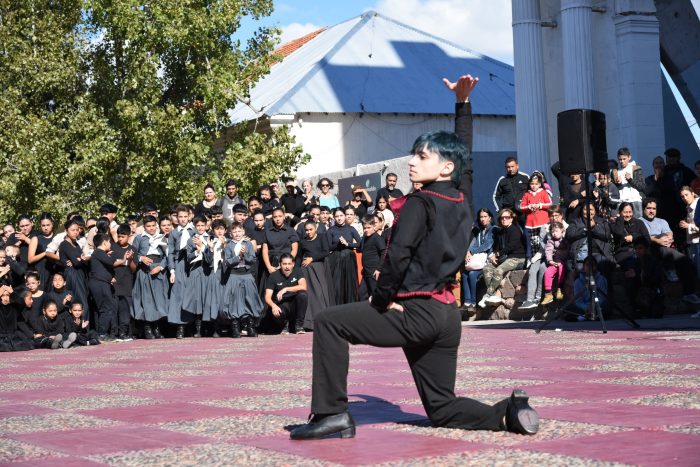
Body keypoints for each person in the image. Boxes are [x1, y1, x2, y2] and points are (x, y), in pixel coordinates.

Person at [289, 74, 538, 441]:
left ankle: (332, 415)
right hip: (446, 316)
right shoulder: (462, 199)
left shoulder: (420, 203)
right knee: (441, 407)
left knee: (328, 322)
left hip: (415, 311)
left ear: (444, 168)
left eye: (423, 156)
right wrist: (463, 105)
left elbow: (398, 255)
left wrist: (381, 299)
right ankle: (508, 413)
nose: (412, 162)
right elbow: (464, 159)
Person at [640, 198, 700, 304]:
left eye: (654, 208)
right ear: (643, 209)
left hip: (665, 247)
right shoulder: (640, 221)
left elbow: (669, 234)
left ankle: (689, 293)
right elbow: (644, 237)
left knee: (685, 260)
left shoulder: (662, 221)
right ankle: (670, 270)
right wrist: (656, 239)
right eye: (648, 208)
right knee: (660, 248)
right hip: (650, 250)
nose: (651, 211)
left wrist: (665, 239)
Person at [221, 222, 263, 337]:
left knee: (249, 300)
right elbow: (228, 262)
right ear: (230, 233)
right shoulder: (228, 245)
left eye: (239, 231)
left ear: (243, 232)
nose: (237, 233)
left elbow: (252, 259)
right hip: (234, 275)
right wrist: (239, 256)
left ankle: (250, 326)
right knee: (234, 301)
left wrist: (245, 255)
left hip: (246, 274)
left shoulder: (248, 244)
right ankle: (235, 327)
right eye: (234, 231)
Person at [478, 208, 527, 307]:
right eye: (502, 218)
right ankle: (494, 295)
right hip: (504, 258)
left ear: (512, 219)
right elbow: (497, 247)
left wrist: (497, 255)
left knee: (498, 270)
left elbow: (510, 247)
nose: (504, 219)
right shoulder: (500, 232)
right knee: (487, 268)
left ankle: (488, 295)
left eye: (507, 217)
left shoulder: (515, 230)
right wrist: (494, 256)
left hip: (517, 258)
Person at [133, 215, 168, 339]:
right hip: (144, 271)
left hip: (158, 270)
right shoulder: (139, 238)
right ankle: (147, 327)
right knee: (147, 300)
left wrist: (160, 267)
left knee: (159, 299)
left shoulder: (162, 238)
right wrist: (141, 258)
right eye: (148, 226)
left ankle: (157, 327)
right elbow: (133, 254)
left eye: (153, 225)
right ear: (144, 227)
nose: (151, 228)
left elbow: (167, 256)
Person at [167, 205, 195, 338]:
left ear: (189, 217)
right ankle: (180, 327)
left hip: (193, 264)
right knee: (178, 294)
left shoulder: (194, 230)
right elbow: (170, 253)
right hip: (179, 264)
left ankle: (193, 325)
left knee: (191, 293)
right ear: (176, 218)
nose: (183, 219)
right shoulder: (173, 233)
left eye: (185, 217)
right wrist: (172, 271)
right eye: (180, 217)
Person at [299, 220, 333, 330]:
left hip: (319, 269)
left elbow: (326, 252)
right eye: (306, 230)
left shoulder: (322, 237)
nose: (308, 232)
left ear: (315, 229)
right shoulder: (303, 242)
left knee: (320, 294)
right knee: (309, 296)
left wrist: (312, 258)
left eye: (311, 229)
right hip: (307, 271)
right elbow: (299, 257)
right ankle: (309, 323)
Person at [264, 253, 308, 334]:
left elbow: (303, 286)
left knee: (303, 295)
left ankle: (299, 326)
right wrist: (273, 306)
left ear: (293, 264)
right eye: (284, 264)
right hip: (281, 304)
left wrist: (286, 289)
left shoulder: (297, 271)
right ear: (280, 264)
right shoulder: (273, 276)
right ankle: (284, 325)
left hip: (294, 304)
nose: (287, 267)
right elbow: (267, 297)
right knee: (277, 311)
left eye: (289, 264)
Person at [327, 207, 361, 305]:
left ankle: (350, 308)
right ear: (333, 218)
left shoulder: (351, 229)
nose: (339, 218)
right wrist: (338, 244)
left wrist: (348, 244)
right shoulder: (331, 230)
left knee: (350, 284)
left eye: (341, 215)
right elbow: (329, 247)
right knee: (337, 285)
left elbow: (360, 243)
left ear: (345, 216)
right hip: (336, 260)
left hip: (349, 259)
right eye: (336, 216)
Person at [89, 233, 120, 340]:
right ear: (105, 242)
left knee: (107, 308)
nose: (110, 244)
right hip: (99, 284)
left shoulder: (100, 253)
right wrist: (113, 255)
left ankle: (103, 333)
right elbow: (111, 262)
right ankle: (102, 333)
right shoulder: (99, 252)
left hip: (102, 283)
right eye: (109, 242)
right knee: (106, 308)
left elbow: (101, 269)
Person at [462, 208, 494, 310]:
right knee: (464, 274)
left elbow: (487, 245)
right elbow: (474, 244)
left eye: (485, 217)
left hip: (487, 260)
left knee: (472, 274)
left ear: (490, 218)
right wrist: (468, 252)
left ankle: (473, 303)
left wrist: (472, 252)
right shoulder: (479, 231)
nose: (483, 219)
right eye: (481, 217)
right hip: (478, 260)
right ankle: (467, 303)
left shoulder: (493, 229)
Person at [58, 219, 90, 320]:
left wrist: (80, 259)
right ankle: (80, 328)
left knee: (81, 301)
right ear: (66, 231)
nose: (76, 232)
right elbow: (77, 262)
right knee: (80, 303)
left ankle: (82, 328)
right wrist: (80, 259)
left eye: (77, 230)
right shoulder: (64, 244)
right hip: (72, 275)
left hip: (80, 274)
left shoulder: (76, 244)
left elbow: (84, 261)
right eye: (73, 230)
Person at [112, 224, 137, 340]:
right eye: (119, 236)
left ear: (129, 236)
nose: (120, 239)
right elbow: (108, 264)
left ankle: (123, 331)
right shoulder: (112, 248)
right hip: (114, 283)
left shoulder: (133, 249)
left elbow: (134, 269)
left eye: (123, 236)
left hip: (127, 283)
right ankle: (114, 332)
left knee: (125, 309)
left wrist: (130, 259)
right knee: (114, 308)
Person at [519, 173, 552, 255]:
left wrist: (539, 205)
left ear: (540, 184)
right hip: (531, 224)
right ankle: (535, 261)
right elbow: (521, 207)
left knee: (545, 242)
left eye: (536, 184)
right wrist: (529, 206)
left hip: (543, 223)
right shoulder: (527, 194)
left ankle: (545, 259)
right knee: (534, 244)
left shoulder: (543, 192)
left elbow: (550, 204)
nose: (534, 186)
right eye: (532, 184)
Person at [539, 222, 568, 305]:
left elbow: (568, 250)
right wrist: (550, 261)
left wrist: (561, 260)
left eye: (556, 231)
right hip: (554, 262)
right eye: (552, 231)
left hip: (563, 262)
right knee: (548, 272)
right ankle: (548, 294)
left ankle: (560, 289)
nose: (554, 233)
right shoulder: (551, 241)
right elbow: (548, 251)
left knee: (561, 269)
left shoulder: (565, 240)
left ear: (562, 231)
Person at [358, 215, 386, 300]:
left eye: (369, 227)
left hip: (374, 272)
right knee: (361, 294)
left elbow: (384, 253)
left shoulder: (377, 238)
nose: (366, 230)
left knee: (375, 294)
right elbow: (360, 248)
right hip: (366, 272)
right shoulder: (364, 238)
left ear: (374, 227)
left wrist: (379, 269)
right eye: (364, 228)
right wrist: (348, 244)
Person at [0, 285, 34, 352]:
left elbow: (22, 302)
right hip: (1, 336)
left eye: (7, 295)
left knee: (29, 344)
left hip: (13, 335)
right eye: (2, 296)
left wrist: (12, 292)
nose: (5, 298)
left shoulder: (14, 307)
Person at [613, 147, 645, 218]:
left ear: (629, 157)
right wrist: (618, 183)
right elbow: (613, 189)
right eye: (620, 159)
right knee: (622, 222)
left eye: (624, 159)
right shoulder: (615, 171)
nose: (622, 161)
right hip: (621, 201)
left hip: (635, 200)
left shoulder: (636, 168)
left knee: (638, 222)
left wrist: (630, 179)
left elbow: (642, 186)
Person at [27, 213, 55, 290]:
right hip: (41, 272)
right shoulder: (36, 239)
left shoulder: (57, 238)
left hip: (55, 272)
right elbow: (30, 259)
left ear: (52, 224)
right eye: (43, 225)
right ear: (40, 226)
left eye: (48, 225)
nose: (46, 228)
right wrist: (45, 253)